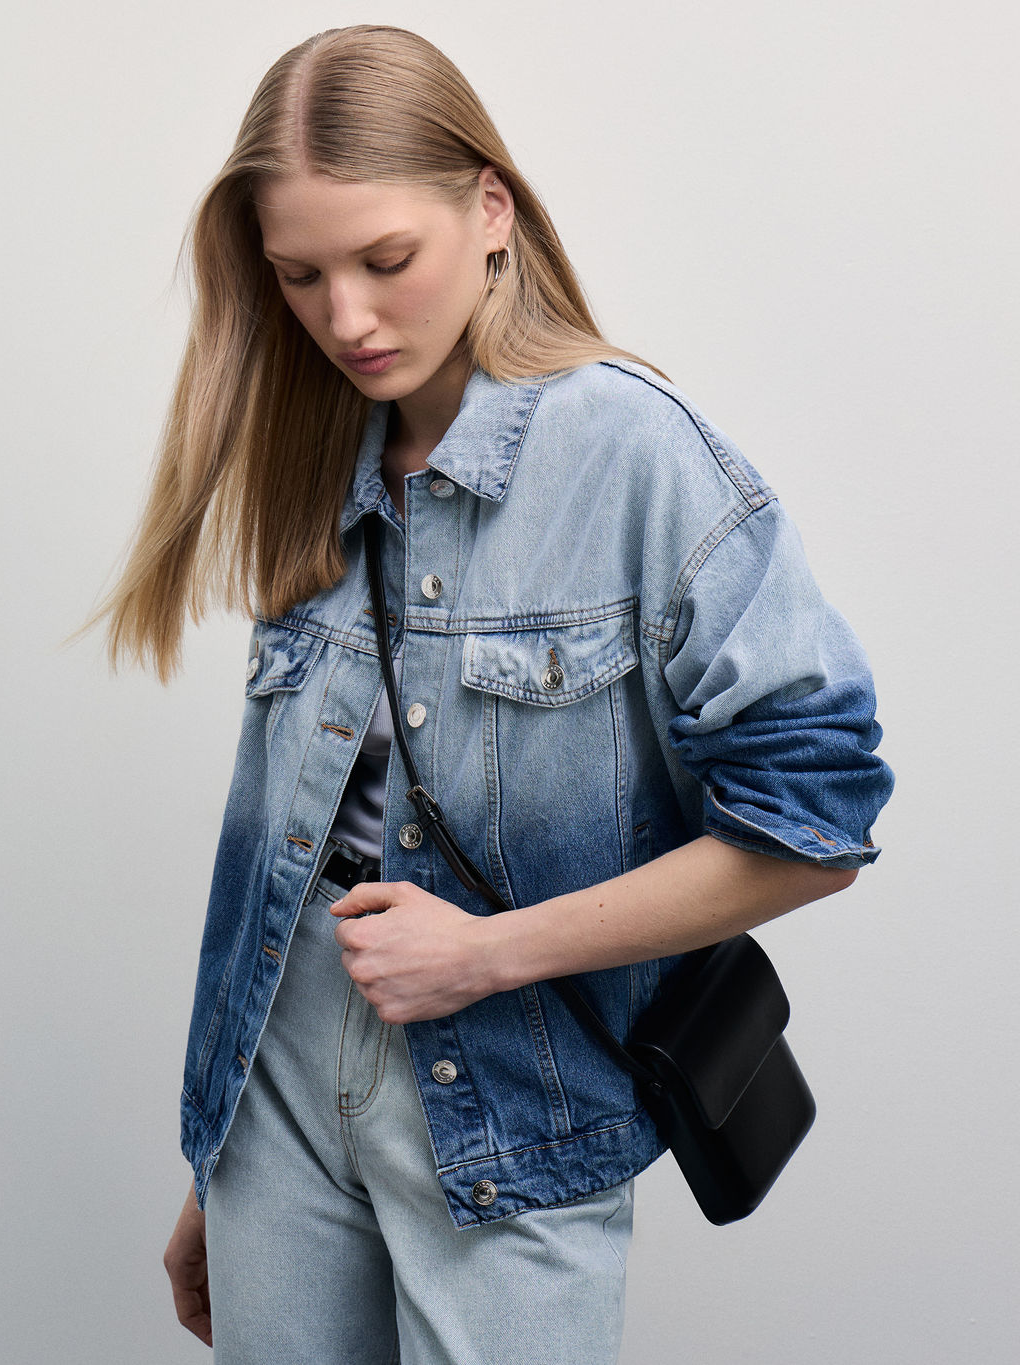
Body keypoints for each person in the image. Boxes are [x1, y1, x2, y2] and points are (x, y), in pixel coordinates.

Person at [96, 23, 894, 1365]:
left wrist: (488, 952)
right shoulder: (318, 454)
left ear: (490, 210)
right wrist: (218, 1153)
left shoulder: (636, 457)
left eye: (384, 260)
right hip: (276, 1086)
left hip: (511, 1092)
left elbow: (818, 824)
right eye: (300, 275)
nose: (346, 319)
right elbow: (295, 840)